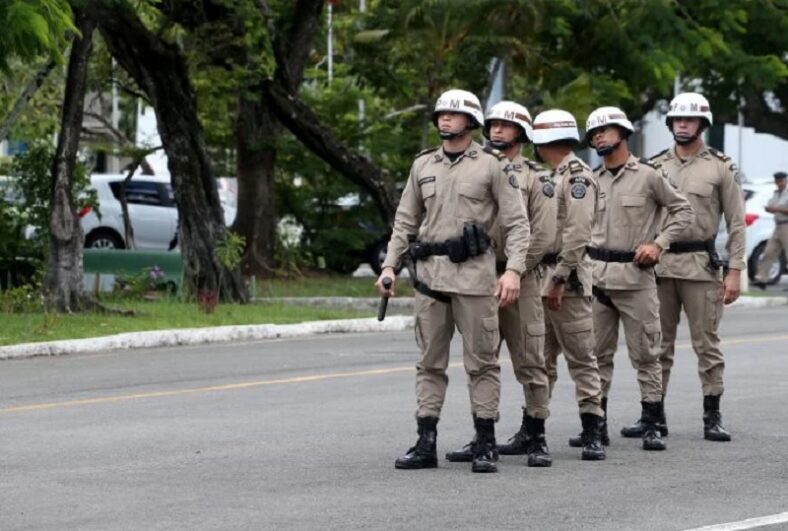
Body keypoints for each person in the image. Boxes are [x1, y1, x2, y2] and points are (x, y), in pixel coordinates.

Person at [376, 89, 530, 474]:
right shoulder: (423, 165)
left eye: (453, 115)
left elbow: (516, 223)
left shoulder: (493, 166)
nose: (445, 119)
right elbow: (405, 221)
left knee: (482, 363)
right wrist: (390, 266)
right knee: (429, 362)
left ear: (471, 122)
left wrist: (513, 270)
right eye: (441, 114)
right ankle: (426, 441)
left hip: (475, 280)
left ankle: (485, 441)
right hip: (430, 278)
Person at [617, 93, 746, 442]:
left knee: (707, 344)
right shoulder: (656, 166)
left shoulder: (721, 166)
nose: (683, 125)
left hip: (701, 267)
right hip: (659, 266)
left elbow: (736, 222)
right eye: (677, 120)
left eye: (690, 120)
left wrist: (735, 271)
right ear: (670, 124)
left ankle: (712, 415)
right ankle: (653, 415)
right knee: (657, 344)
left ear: (703, 124)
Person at [444, 101, 557, 467]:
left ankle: (536, 435)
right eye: (492, 124)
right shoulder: (473, 169)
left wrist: (516, 270)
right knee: (480, 360)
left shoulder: (537, 178)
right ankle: (484, 436)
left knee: (531, 360)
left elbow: (541, 235)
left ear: (521, 133)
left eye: (506, 126)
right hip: (477, 276)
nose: (496, 131)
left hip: (519, 278)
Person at [586, 106, 694, 451]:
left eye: (605, 130)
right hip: (599, 279)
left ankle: (651, 423)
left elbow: (683, 210)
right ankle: (595, 425)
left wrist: (659, 244)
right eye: (594, 133)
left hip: (636, 279)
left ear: (623, 133)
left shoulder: (648, 176)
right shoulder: (591, 180)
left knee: (647, 354)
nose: (599, 137)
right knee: (596, 356)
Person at [534, 109, 606, 461]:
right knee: (540, 359)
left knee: (580, 357)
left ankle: (592, 429)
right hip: (544, 276)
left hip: (568, 280)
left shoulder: (577, 177)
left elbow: (578, 234)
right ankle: (534, 427)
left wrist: (560, 277)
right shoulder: (553, 175)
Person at [753, 171, 788, 290]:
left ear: (785, 180)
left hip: (787, 225)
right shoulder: (776, 193)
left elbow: (778, 208)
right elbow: (770, 205)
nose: (779, 183)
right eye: (777, 181)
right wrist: (770, 209)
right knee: (769, 252)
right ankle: (761, 279)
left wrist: (777, 208)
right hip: (778, 226)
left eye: (781, 181)